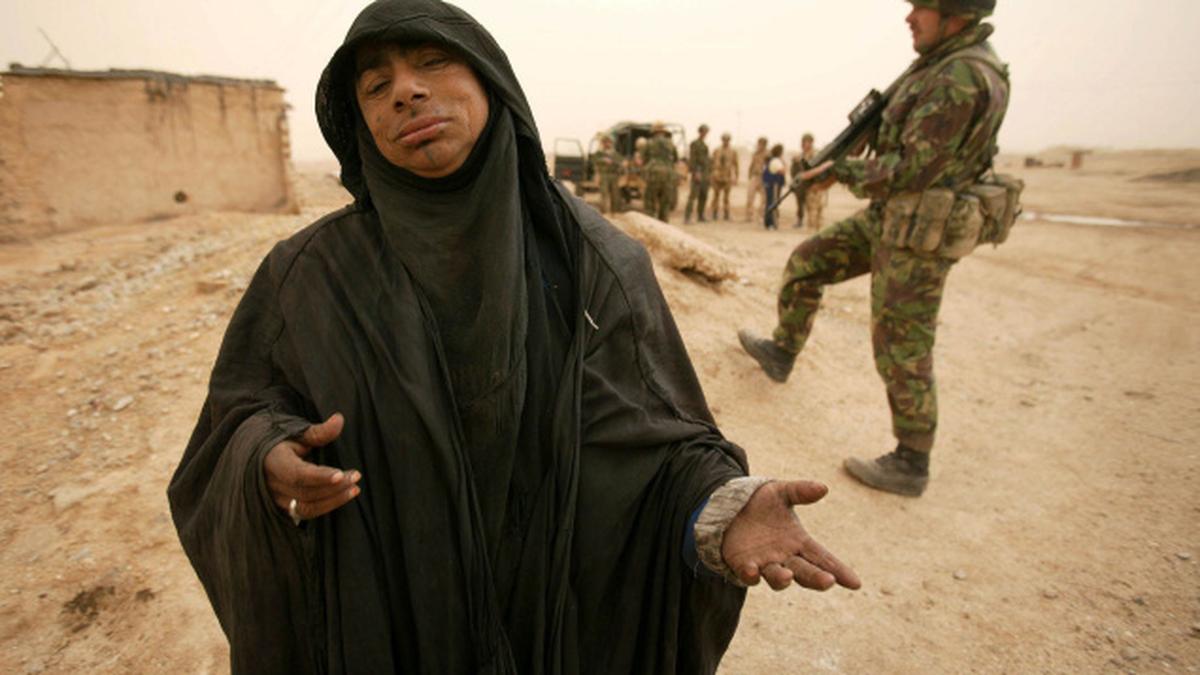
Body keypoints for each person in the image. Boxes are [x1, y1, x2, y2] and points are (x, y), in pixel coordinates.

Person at [167, 1, 859, 673]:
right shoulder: (307, 274)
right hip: (391, 611)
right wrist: (266, 457)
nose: (405, 91)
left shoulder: (596, 262)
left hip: (557, 614)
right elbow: (238, 415)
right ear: (361, 122)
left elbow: (656, 441)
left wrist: (723, 508)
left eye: (432, 61)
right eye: (376, 86)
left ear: (489, 80)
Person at [737, 0, 1009, 497]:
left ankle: (911, 461)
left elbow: (912, 170)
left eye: (922, 8)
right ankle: (782, 351)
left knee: (901, 341)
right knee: (808, 261)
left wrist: (840, 171)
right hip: (892, 216)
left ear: (956, 15)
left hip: (919, 233)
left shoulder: (962, 76)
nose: (910, 17)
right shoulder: (938, 64)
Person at [643, 122, 677, 222]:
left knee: (650, 202)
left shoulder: (649, 143)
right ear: (664, 132)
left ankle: (650, 224)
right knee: (665, 203)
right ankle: (663, 224)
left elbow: (645, 158)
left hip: (653, 175)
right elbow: (675, 159)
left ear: (654, 132)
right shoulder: (671, 144)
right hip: (668, 175)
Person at [794, 133, 829, 230]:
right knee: (810, 209)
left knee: (817, 210)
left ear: (811, 142)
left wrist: (820, 184)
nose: (804, 144)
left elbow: (820, 170)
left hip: (816, 186)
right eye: (804, 142)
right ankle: (813, 229)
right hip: (807, 186)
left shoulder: (815, 154)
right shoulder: (801, 155)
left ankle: (817, 230)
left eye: (807, 142)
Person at [684, 124, 711, 224]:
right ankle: (687, 217)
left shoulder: (704, 145)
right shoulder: (695, 144)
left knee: (703, 195)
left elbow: (706, 160)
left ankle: (700, 215)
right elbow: (693, 159)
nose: (705, 134)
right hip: (698, 172)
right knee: (693, 196)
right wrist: (696, 172)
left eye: (706, 132)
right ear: (700, 132)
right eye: (704, 131)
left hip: (705, 173)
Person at [709, 132, 739, 220]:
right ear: (722, 140)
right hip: (717, 176)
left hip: (727, 176)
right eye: (724, 139)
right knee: (716, 196)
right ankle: (714, 214)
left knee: (726, 197)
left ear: (729, 140)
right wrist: (711, 174)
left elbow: (736, 165)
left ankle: (726, 214)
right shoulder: (717, 150)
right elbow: (712, 163)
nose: (725, 141)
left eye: (727, 140)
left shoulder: (733, 151)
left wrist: (736, 176)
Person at [591, 134, 622, 214]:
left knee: (615, 194)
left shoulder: (615, 154)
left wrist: (613, 162)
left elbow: (620, 162)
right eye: (605, 142)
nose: (607, 144)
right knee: (604, 194)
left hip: (614, 175)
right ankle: (604, 212)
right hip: (603, 175)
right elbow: (594, 160)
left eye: (608, 142)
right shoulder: (599, 153)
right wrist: (603, 160)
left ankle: (615, 212)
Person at [762, 144, 787, 230]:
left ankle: (768, 223)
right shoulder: (776, 161)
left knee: (769, 203)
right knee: (773, 203)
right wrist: (784, 163)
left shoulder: (771, 160)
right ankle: (771, 223)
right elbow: (782, 171)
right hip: (774, 185)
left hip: (770, 185)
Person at [744, 137, 769, 222]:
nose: (759, 146)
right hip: (755, 176)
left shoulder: (768, 154)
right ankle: (749, 216)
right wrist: (749, 175)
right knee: (750, 197)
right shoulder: (755, 153)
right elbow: (752, 164)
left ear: (765, 145)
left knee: (764, 199)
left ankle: (761, 216)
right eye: (759, 144)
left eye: (762, 144)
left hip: (764, 178)